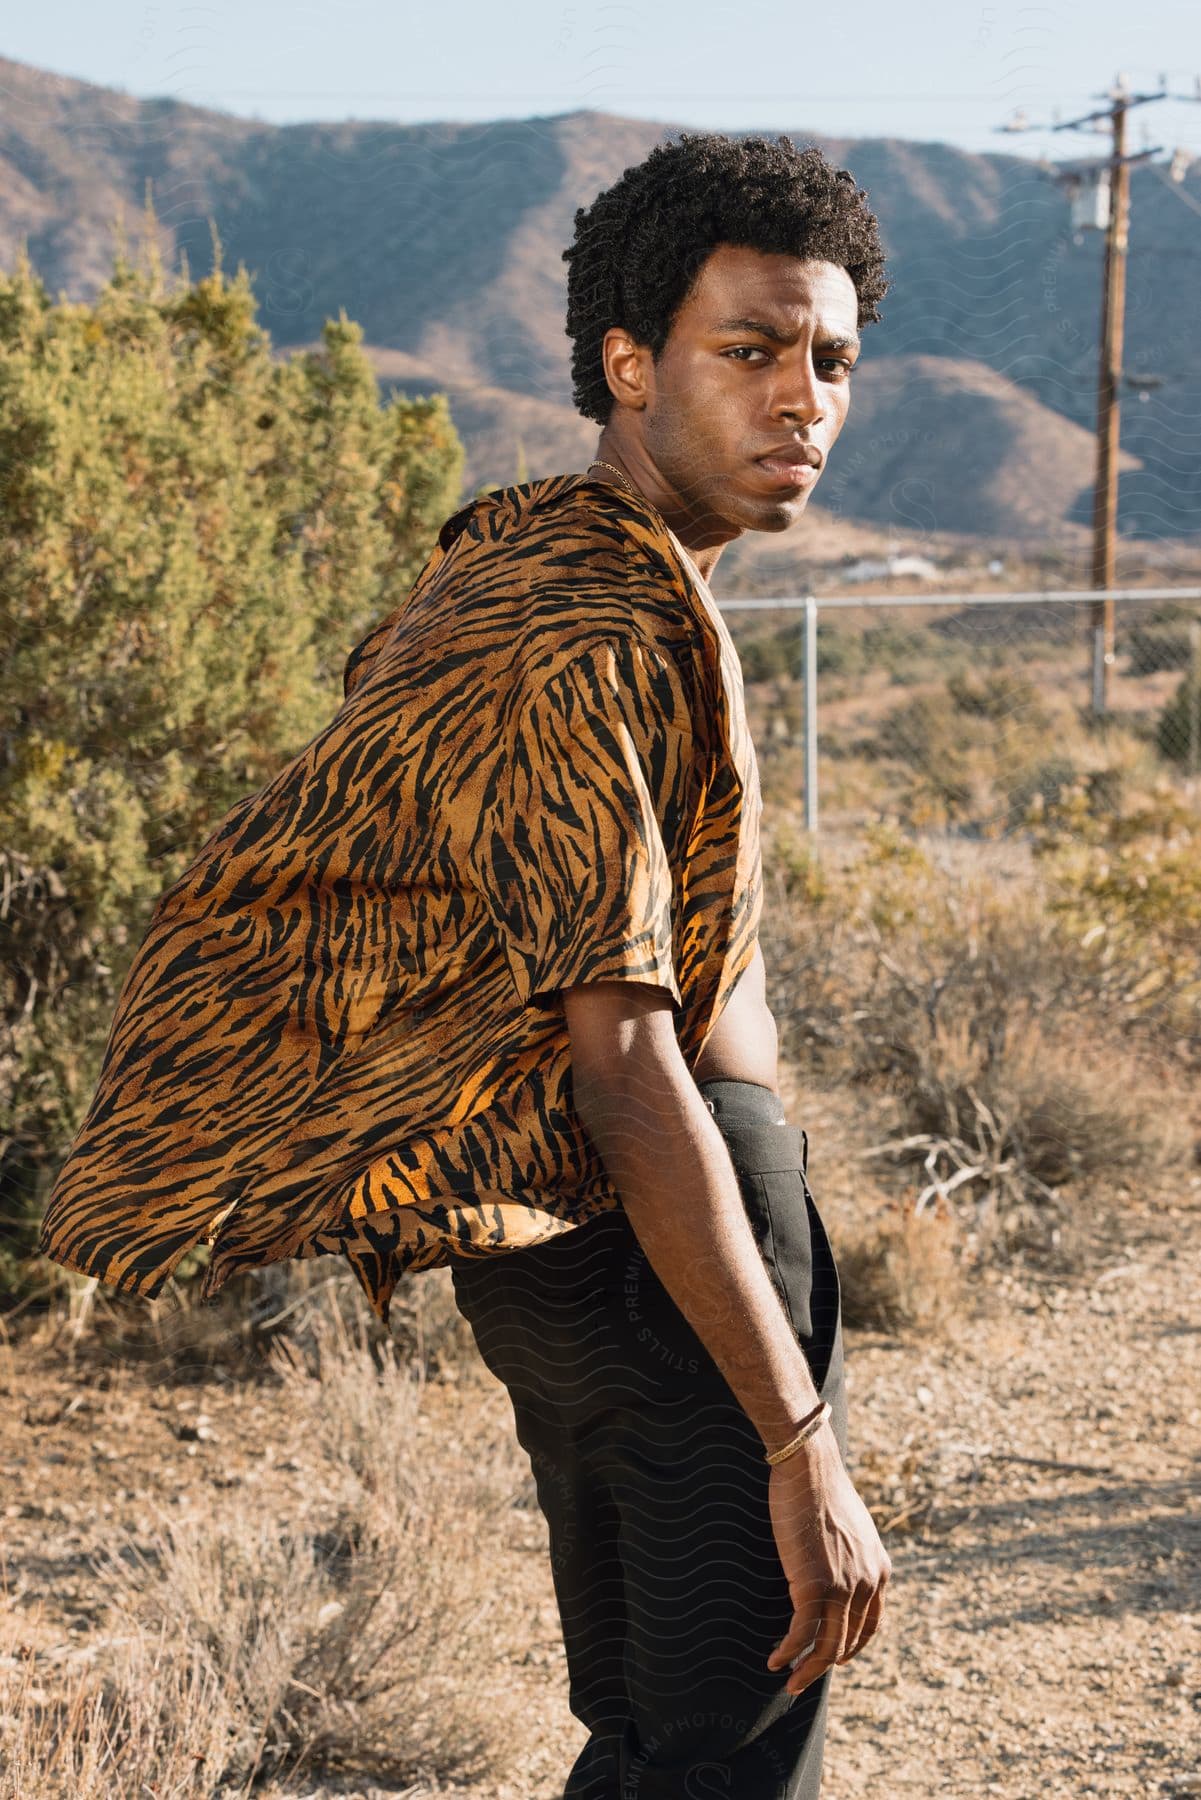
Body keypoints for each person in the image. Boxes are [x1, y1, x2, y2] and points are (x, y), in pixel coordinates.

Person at [38, 129, 892, 1797]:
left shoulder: (537, 567)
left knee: (654, 1733)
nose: (803, 399)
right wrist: (799, 1442)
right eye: (750, 350)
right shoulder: (575, 628)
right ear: (628, 365)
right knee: (723, 1741)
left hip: (575, 1242)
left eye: (831, 357)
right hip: (666, 1233)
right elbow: (629, 1058)